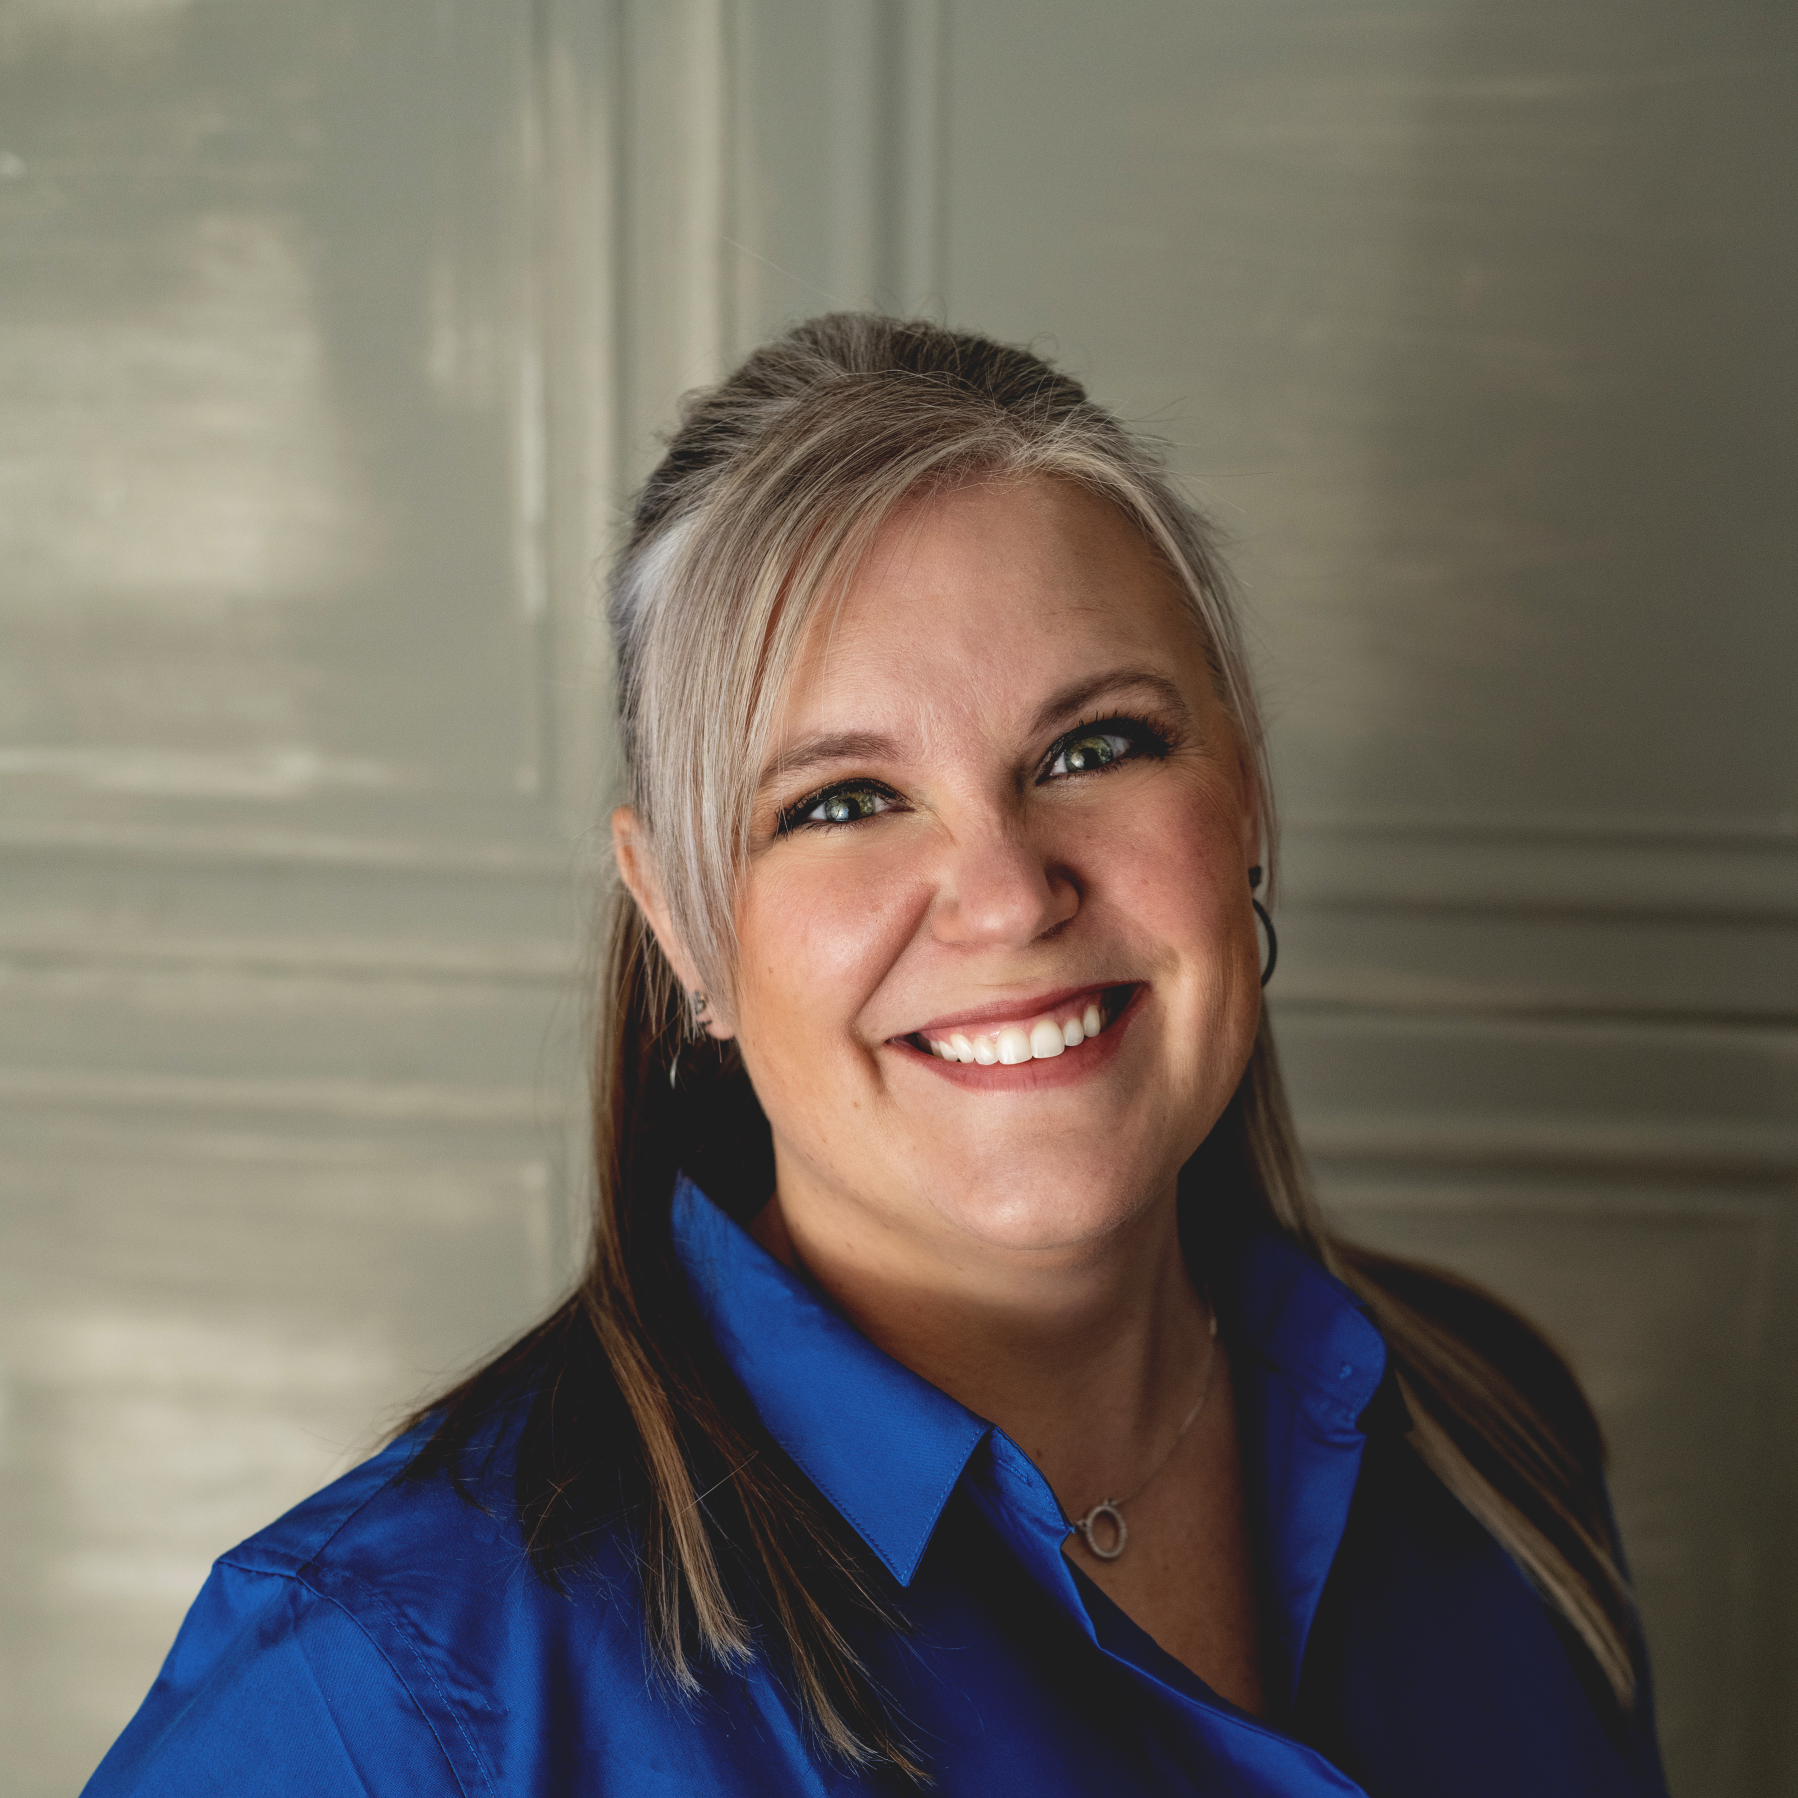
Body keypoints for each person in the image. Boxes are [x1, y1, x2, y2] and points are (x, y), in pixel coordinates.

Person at [84, 315, 1668, 1797]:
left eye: (1094, 745)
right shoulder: (397, 1679)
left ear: (1239, 796)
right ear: (683, 924)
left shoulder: (1492, 1439)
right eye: (838, 799)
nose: (1003, 891)